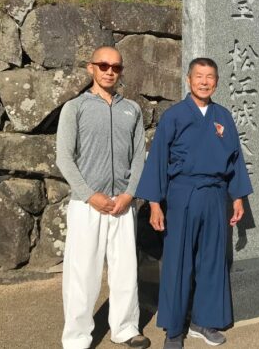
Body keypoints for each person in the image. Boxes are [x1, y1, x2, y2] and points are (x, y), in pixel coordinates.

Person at [136, 57, 252, 349]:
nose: (204, 81)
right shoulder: (174, 115)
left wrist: (237, 197)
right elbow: (158, 160)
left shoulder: (223, 116)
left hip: (215, 194)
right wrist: (154, 204)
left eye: (210, 76)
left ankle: (205, 321)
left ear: (216, 81)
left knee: (213, 261)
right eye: (199, 76)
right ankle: (174, 329)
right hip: (182, 194)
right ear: (188, 80)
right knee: (178, 262)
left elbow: (235, 159)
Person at [56, 46, 150, 349]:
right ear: (91, 68)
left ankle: (124, 328)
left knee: (125, 272)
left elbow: (138, 159)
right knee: (82, 274)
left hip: (122, 205)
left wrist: (129, 194)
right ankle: (77, 338)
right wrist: (89, 195)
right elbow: (64, 158)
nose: (110, 71)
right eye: (104, 65)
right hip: (87, 206)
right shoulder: (75, 108)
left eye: (116, 67)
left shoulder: (132, 110)